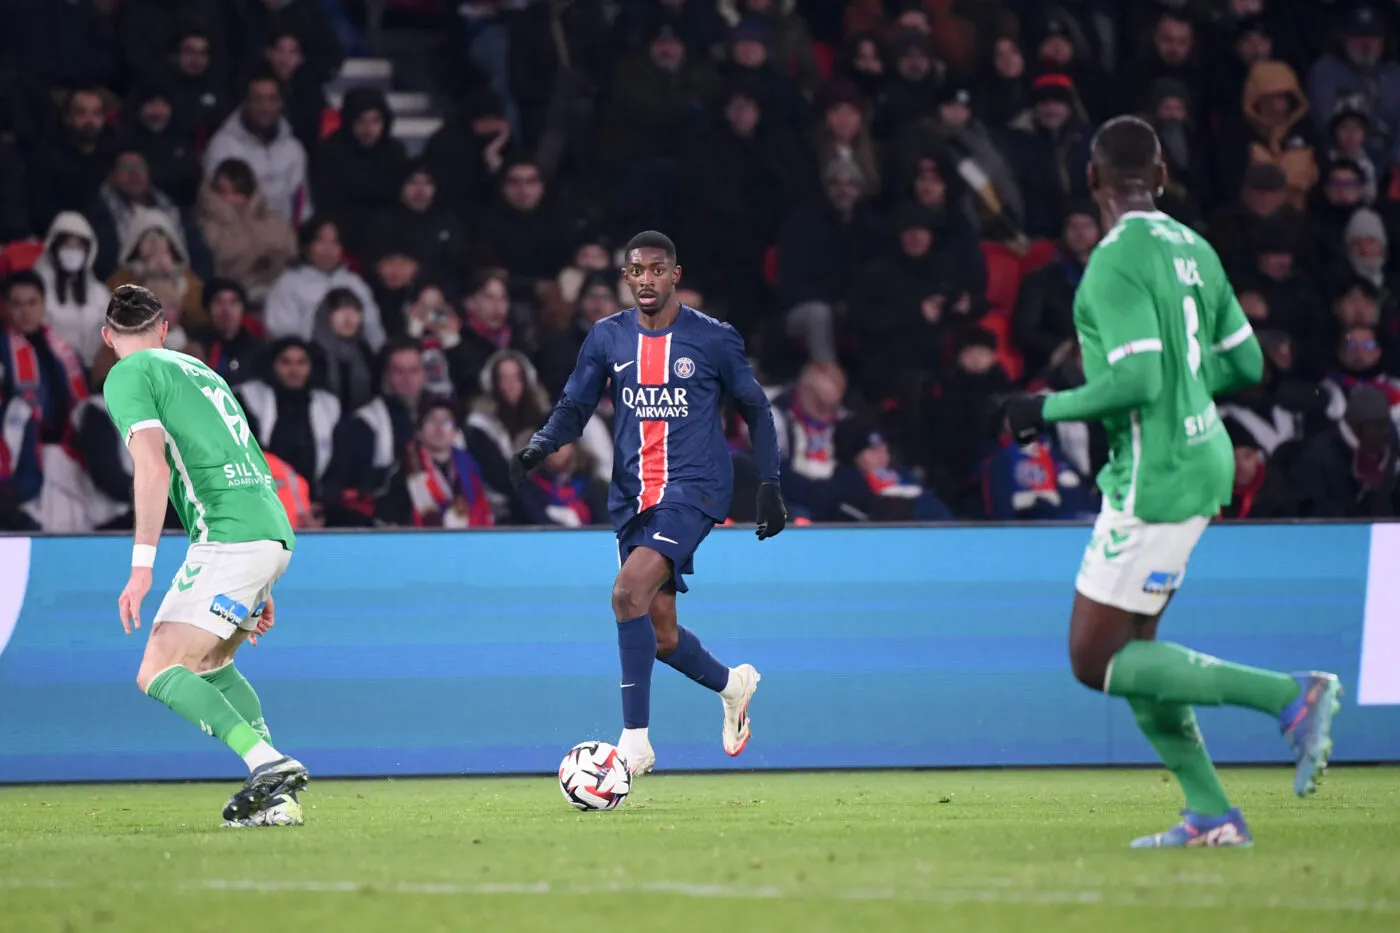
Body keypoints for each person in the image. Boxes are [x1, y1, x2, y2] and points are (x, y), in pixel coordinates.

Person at [1000, 116, 1341, 848]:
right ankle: (1210, 813)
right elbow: (1248, 366)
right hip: (1203, 455)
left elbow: (1137, 378)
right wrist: (1188, 391)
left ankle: (1290, 695)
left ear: (1090, 181)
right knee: (1141, 656)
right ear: (1160, 177)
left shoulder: (1110, 263)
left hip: (1154, 477)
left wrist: (1041, 407)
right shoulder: (1198, 249)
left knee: (1095, 659)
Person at [510, 231, 786, 777]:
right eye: (636, 271)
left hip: (695, 490)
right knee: (659, 634)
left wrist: (770, 484)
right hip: (632, 497)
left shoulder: (713, 339)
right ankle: (734, 685)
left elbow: (757, 408)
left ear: (674, 275)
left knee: (625, 591)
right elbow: (576, 403)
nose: (646, 280)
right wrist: (542, 444)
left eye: (657, 270)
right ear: (626, 277)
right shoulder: (608, 337)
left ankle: (634, 743)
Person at [98, 284, 307, 828]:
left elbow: (153, 467)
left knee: (158, 668)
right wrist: (264, 579)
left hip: (229, 536)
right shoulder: (203, 372)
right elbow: (248, 458)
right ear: (165, 329)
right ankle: (278, 799)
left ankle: (267, 763)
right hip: (269, 529)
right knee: (212, 664)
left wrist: (140, 567)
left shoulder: (128, 374)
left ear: (107, 337)